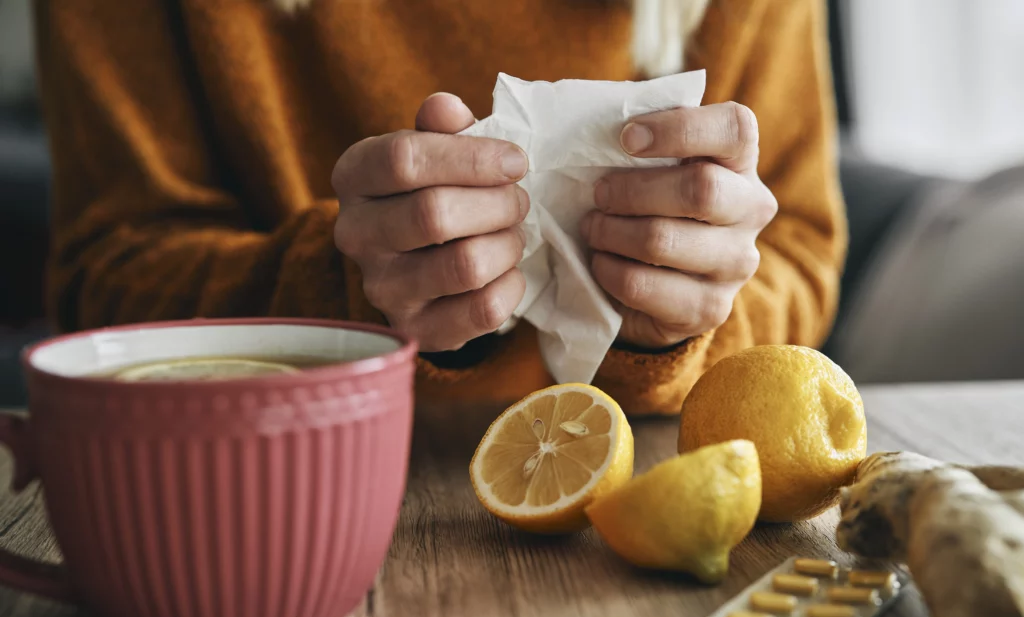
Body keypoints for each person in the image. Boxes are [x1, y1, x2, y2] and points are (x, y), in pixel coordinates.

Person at [34, 0, 845, 414]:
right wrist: (344, 298)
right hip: (276, 482)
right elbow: (108, 272)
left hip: (637, 494)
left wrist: (676, 321)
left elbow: (800, 250)